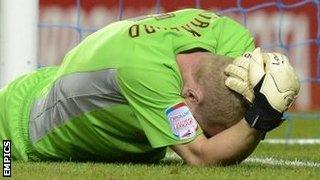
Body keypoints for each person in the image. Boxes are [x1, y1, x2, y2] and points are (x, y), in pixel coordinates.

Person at [0, 9, 300, 165]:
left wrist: (264, 95)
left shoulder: (229, 37)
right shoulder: (148, 76)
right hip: (15, 134)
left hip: (56, 83)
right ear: (190, 96)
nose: (206, 133)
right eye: (212, 128)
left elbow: (247, 88)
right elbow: (201, 156)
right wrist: (261, 120)